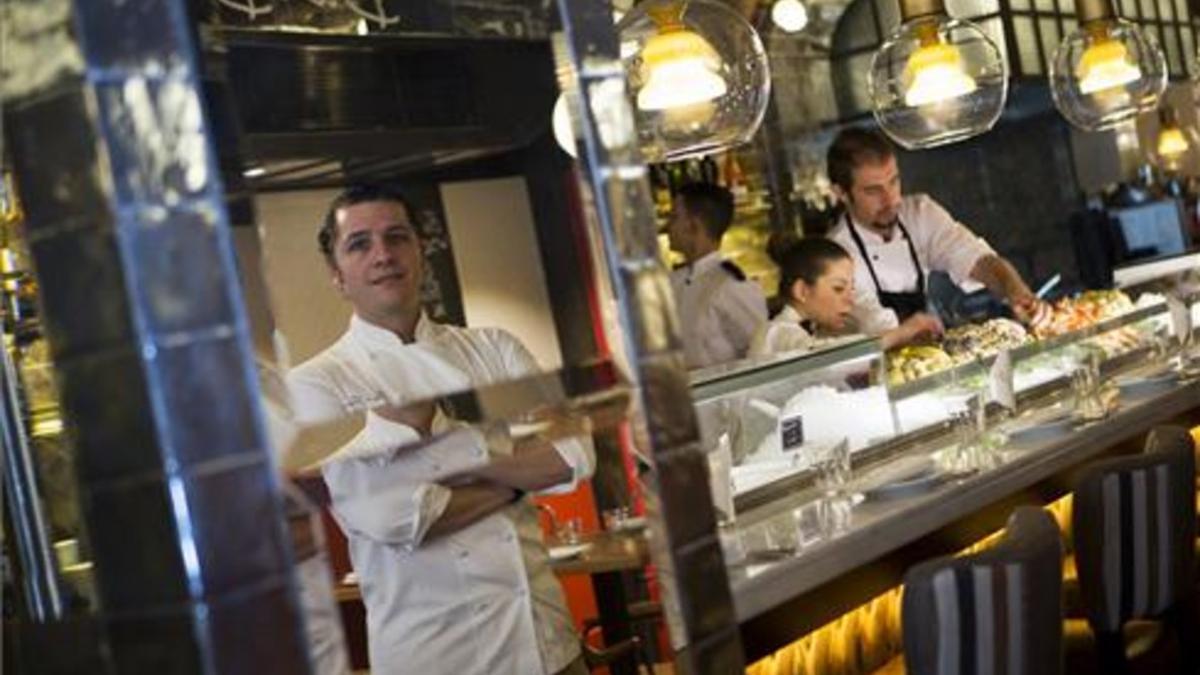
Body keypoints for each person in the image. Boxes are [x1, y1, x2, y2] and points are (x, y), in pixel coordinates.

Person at [287, 184, 594, 675]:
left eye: (397, 236)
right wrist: (517, 477)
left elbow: (575, 454)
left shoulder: (493, 349)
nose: (383, 254)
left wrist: (446, 484)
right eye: (360, 244)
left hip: (550, 647)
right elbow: (392, 513)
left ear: (420, 253)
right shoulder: (315, 384)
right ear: (337, 276)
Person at [825, 128, 1046, 335]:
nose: (890, 199)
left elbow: (975, 258)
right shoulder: (835, 255)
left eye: (894, 182)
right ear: (841, 192)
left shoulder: (920, 213)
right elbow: (874, 329)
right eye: (873, 191)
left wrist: (1016, 291)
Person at [751, 237, 941, 356]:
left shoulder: (819, 329)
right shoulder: (775, 334)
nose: (850, 300)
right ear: (802, 291)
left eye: (852, 288)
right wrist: (900, 333)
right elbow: (828, 357)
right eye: (838, 289)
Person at [667, 182, 768, 369]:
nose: (667, 227)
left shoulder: (730, 286)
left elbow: (761, 352)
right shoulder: (672, 282)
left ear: (693, 226)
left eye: (674, 218)